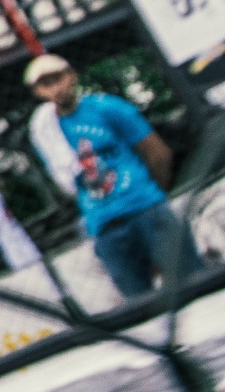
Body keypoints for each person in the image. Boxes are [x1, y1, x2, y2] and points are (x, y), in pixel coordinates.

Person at [26, 54, 201, 299]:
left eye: (58, 78)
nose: (55, 88)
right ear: (37, 92)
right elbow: (66, 181)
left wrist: (151, 195)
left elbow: (158, 153)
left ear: (72, 76)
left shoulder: (107, 107)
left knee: (193, 283)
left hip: (146, 209)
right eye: (45, 84)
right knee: (140, 303)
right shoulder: (46, 130)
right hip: (104, 226)